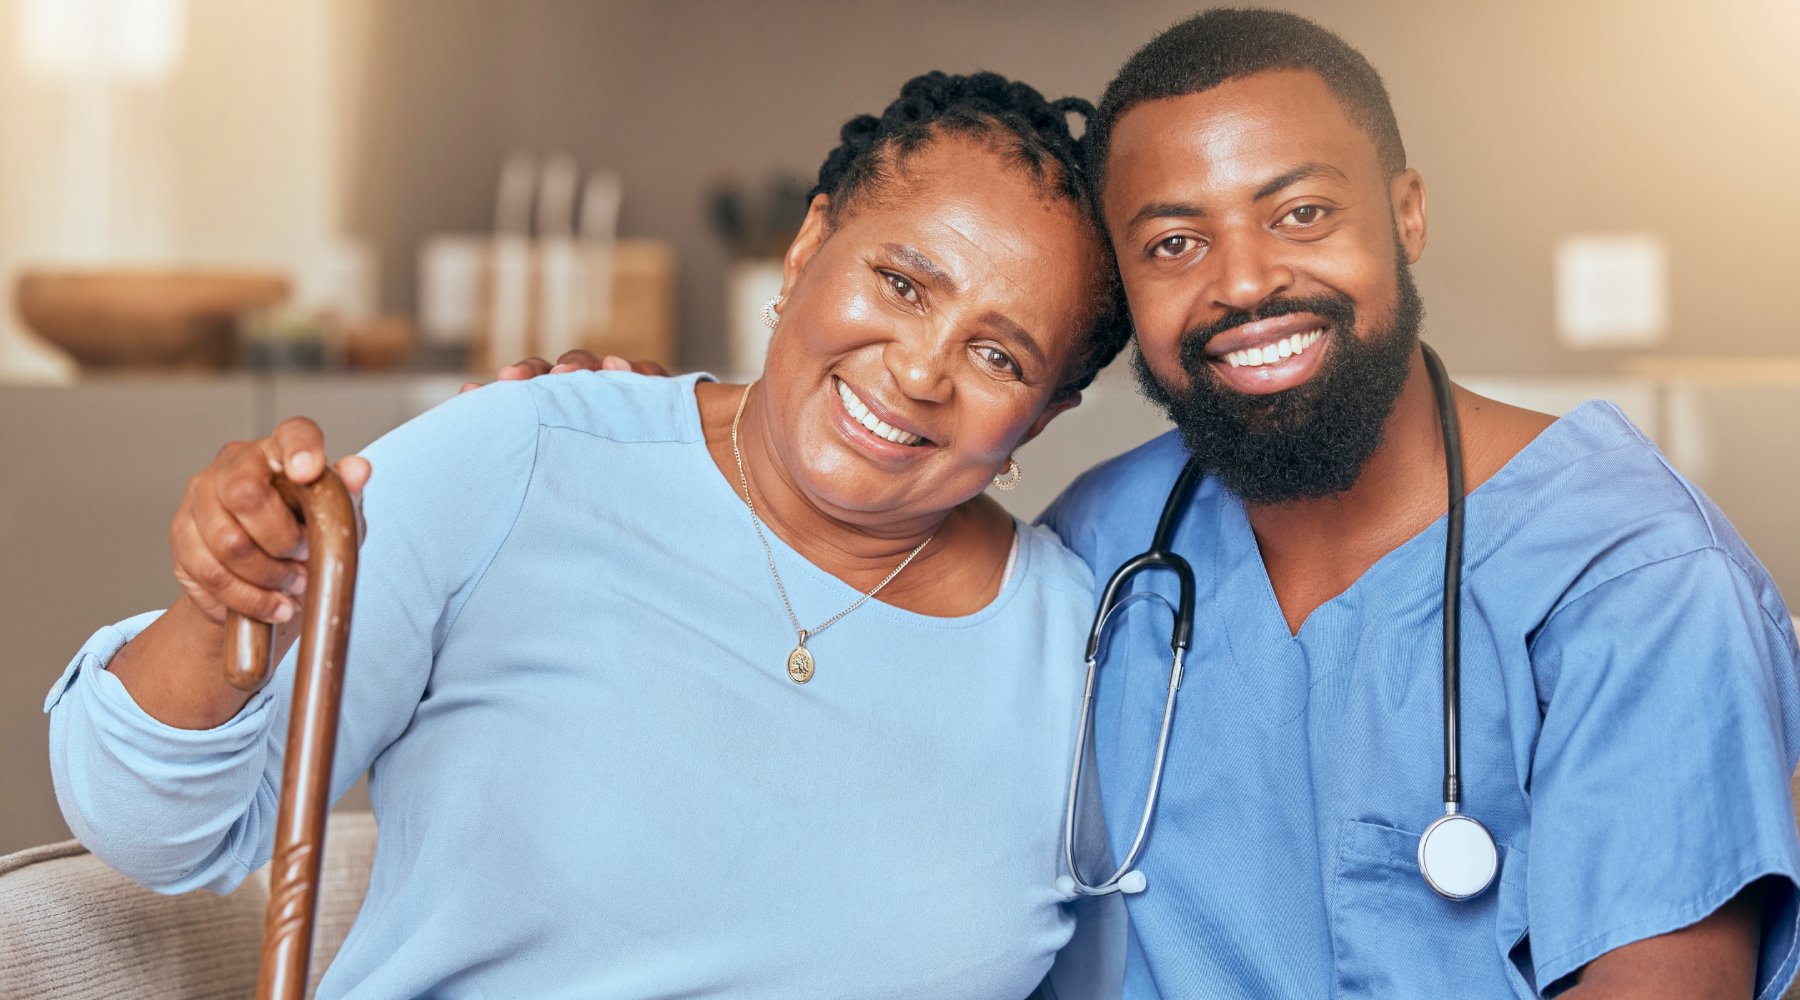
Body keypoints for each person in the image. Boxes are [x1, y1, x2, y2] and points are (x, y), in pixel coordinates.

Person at [44, 72, 1132, 998]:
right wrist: (223, 609)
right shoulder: (528, 456)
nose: (920, 368)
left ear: (1043, 416)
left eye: (1002, 356)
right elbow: (158, 829)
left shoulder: (1081, 656)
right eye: (901, 282)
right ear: (807, 247)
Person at [1038, 9, 1800, 998]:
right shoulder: (1096, 548)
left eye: (1301, 214)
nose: (1246, 282)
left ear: (1407, 215)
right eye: (1175, 242)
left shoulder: (1635, 576)